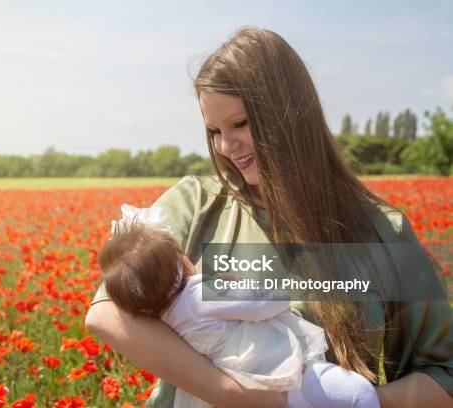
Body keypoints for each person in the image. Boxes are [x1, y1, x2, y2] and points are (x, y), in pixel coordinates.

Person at [85, 26, 453, 407]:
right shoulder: (196, 202)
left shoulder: (382, 232)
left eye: (240, 124)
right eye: (214, 130)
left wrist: (348, 402)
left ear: (289, 113)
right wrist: (236, 395)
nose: (226, 146)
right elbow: (107, 313)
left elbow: (445, 375)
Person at [98, 204, 380, 408]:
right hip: (281, 377)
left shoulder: (167, 320)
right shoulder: (201, 291)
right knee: (359, 393)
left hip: (240, 387)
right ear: (181, 262)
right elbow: (262, 304)